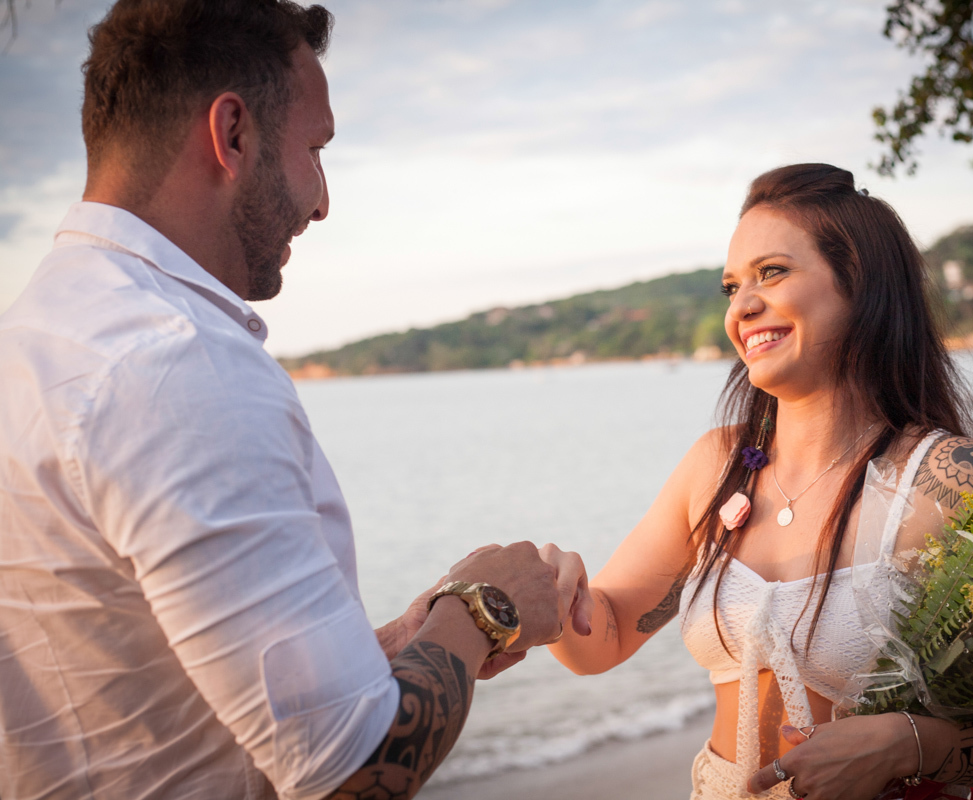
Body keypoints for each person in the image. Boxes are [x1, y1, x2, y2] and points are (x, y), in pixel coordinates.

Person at [0, 2, 590, 799]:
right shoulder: (178, 364)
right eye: (315, 149)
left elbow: (160, 694)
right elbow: (352, 773)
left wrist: (402, 644)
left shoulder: (39, 336)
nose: (321, 202)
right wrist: (481, 609)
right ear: (233, 133)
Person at [544, 164, 973, 799]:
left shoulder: (954, 482)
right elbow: (604, 634)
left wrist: (907, 745)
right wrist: (556, 600)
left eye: (771, 273)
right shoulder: (715, 467)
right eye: (731, 287)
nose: (743, 307)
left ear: (862, 282)